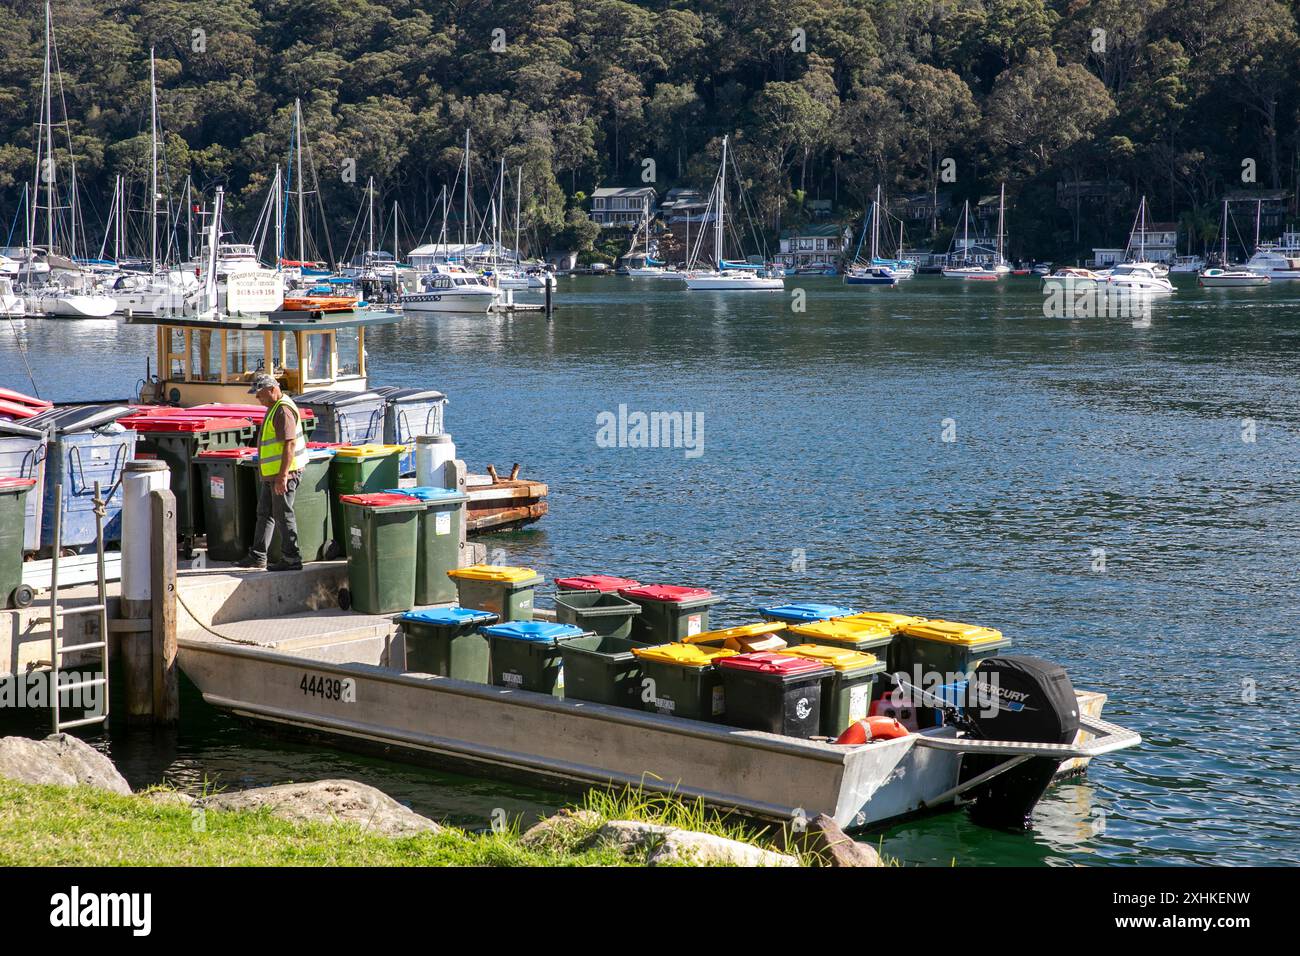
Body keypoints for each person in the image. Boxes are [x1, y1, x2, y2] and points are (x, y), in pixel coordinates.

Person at [240, 372, 306, 571]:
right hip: (273, 474)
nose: (258, 399)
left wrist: (282, 477)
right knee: (265, 512)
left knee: (282, 514)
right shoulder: (274, 406)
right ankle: (258, 555)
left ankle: (292, 558)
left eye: (260, 395)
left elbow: (290, 444)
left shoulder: (282, 410)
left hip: (284, 474)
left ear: (271, 390)